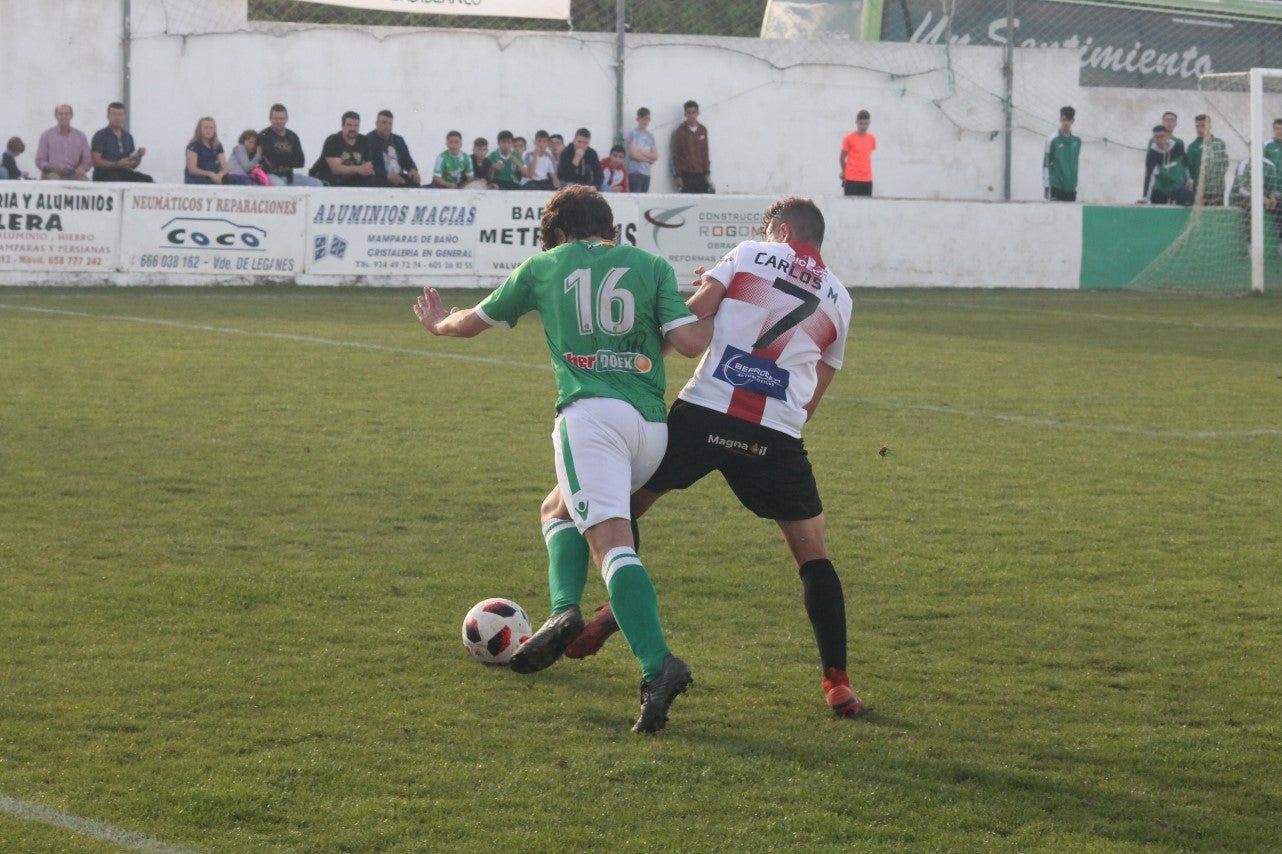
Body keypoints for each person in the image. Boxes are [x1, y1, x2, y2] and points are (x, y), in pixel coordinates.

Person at [412, 185, 713, 734]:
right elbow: (692, 343)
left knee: (611, 546)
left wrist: (438, 323)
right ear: (609, 229)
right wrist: (716, 301)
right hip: (650, 428)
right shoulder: (649, 264)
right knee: (556, 508)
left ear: (555, 234)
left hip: (591, 422)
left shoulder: (543, 266)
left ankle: (657, 666)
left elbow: (472, 321)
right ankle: (564, 611)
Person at [563, 196, 863, 719]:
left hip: (704, 413)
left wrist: (709, 292)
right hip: (775, 434)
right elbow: (821, 381)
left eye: (768, 230)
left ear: (783, 230)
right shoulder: (841, 297)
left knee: (624, 509)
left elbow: (691, 316)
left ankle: (619, 605)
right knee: (813, 555)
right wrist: (785, 425)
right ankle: (837, 682)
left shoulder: (749, 253)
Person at [258, 103, 322, 187]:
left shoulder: (292, 136)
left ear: (286, 119)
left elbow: (300, 162)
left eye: (281, 118)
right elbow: (267, 160)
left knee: (317, 184)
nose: (279, 121)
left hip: (289, 176)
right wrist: (287, 159)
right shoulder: (264, 135)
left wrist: (280, 159)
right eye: (276, 119)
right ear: (270, 119)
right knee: (280, 186)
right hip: (270, 175)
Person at [90, 102, 152, 182]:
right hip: (104, 174)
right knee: (115, 179)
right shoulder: (100, 135)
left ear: (124, 117)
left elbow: (132, 166)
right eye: (114, 114)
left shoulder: (128, 137)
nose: (118, 118)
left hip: (123, 172)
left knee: (147, 180)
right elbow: (96, 161)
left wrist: (139, 156)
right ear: (108, 116)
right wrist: (116, 164)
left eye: (120, 115)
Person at [310, 111, 375, 187]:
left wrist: (365, 170)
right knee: (336, 179)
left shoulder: (364, 140)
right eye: (349, 125)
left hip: (351, 178)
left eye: (356, 125)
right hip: (325, 177)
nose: (352, 128)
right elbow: (336, 169)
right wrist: (358, 169)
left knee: (372, 179)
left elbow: (368, 165)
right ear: (342, 126)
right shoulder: (333, 140)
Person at [35, 104, 92, 180]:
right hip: (51, 173)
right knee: (54, 179)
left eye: (66, 113)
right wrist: (51, 168)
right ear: (55, 116)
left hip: (73, 173)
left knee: (84, 180)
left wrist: (82, 168)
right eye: (60, 113)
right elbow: (40, 160)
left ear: (71, 116)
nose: (63, 116)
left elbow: (87, 160)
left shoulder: (80, 136)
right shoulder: (46, 135)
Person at [184, 117, 247, 185]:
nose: (208, 130)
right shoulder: (193, 146)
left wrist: (219, 175)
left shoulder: (217, 145)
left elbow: (225, 167)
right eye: (205, 127)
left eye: (211, 128)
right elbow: (192, 169)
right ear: (199, 129)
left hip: (216, 176)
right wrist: (210, 174)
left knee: (238, 180)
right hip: (198, 178)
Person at [367, 110, 421, 188]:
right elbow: (369, 166)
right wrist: (387, 175)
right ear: (377, 123)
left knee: (415, 182)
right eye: (384, 123)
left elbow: (408, 160)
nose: (387, 126)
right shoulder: (368, 140)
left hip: (399, 177)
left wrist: (413, 170)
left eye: (390, 123)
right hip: (381, 178)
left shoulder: (398, 140)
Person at [1141, 125, 1192, 205]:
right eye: (1156, 137)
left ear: (1167, 136)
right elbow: (1149, 176)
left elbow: (1186, 165)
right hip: (1161, 187)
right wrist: (1145, 197)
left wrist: (1190, 180)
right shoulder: (1152, 154)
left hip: (1176, 186)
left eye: (1162, 136)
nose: (1159, 139)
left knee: (1188, 200)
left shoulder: (1177, 147)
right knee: (1157, 202)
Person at [1186, 114, 1228, 206]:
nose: (1200, 129)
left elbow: (1224, 164)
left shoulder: (1220, 143)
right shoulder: (1192, 147)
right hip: (1200, 191)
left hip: (1217, 189)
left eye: (1203, 125)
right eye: (1197, 126)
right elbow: (1189, 169)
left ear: (1210, 126)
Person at [671, 100, 711, 193]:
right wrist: (677, 175)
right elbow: (675, 154)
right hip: (686, 174)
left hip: (701, 174)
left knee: (703, 203)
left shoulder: (703, 130)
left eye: (693, 112)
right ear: (685, 114)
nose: (691, 115)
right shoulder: (680, 131)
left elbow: (705, 152)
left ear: (698, 113)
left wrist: (707, 171)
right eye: (689, 113)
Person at [1042, 106, 1080, 202]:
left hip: (1071, 187)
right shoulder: (1052, 139)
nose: (1066, 123)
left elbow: (1073, 162)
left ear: (1073, 121)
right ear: (1060, 119)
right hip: (1056, 187)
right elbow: (1046, 164)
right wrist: (1046, 186)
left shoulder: (1077, 141)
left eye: (1069, 120)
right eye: (1064, 119)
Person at [839, 109, 877, 197]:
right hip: (851, 178)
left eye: (865, 124)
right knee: (849, 207)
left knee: (867, 207)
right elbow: (841, 159)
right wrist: (845, 173)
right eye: (860, 123)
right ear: (856, 122)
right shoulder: (849, 138)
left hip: (867, 179)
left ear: (869, 123)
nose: (863, 127)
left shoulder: (872, 139)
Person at [626, 107, 658, 193]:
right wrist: (649, 160)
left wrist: (642, 152)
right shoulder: (633, 134)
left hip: (647, 172)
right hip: (635, 172)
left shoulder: (650, 136)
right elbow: (634, 154)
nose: (645, 121)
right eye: (643, 118)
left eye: (647, 118)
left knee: (644, 199)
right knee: (636, 198)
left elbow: (655, 155)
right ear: (638, 119)